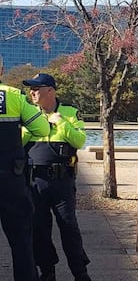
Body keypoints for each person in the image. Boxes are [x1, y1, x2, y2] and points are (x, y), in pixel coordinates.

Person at [22, 73, 91, 281]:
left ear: (50, 91)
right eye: (31, 89)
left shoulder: (69, 112)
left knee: (69, 227)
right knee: (39, 228)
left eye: (37, 88)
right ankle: (47, 270)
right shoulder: (28, 113)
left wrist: (61, 123)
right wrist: (27, 129)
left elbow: (79, 141)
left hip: (61, 181)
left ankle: (80, 272)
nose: (32, 92)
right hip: (35, 181)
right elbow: (18, 142)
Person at [0, 56, 50, 281]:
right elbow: (41, 129)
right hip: (11, 179)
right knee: (21, 239)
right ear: (1, 69)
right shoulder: (14, 96)